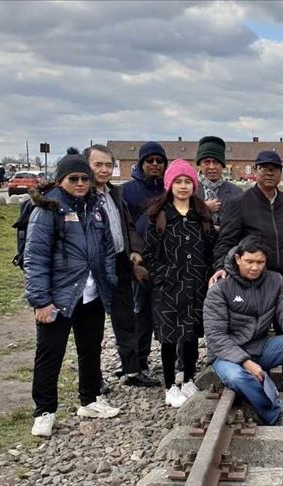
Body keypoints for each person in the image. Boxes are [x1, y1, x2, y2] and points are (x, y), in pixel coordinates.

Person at [25, 150, 120, 437]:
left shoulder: (95, 208)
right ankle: (44, 411)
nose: (80, 184)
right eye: (73, 178)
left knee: (90, 349)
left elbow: (106, 249)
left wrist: (109, 280)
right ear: (60, 180)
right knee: (50, 354)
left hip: (90, 294)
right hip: (59, 295)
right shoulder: (48, 211)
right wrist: (41, 300)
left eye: (85, 179)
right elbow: (36, 258)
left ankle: (90, 399)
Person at [204, 237, 283, 435]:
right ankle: (275, 415)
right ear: (238, 259)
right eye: (249, 262)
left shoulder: (275, 281)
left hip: (260, 346)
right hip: (226, 355)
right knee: (239, 377)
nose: (255, 267)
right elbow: (215, 337)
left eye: (260, 262)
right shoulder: (220, 288)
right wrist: (246, 362)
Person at [143, 160, 217, 407]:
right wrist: (160, 276)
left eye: (187, 182)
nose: (183, 187)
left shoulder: (201, 215)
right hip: (168, 288)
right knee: (169, 337)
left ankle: (187, 379)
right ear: (169, 185)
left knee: (191, 336)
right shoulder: (159, 215)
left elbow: (210, 248)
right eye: (178, 182)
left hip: (195, 285)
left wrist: (206, 273)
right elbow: (150, 252)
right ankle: (169, 385)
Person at [84, 144, 158, 387]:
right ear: (87, 165)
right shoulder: (82, 197)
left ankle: (132, 370)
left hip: (119, 262)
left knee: (126, 319)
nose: (104, 170)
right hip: (93, 267)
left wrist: (135, 251)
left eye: (108, 165)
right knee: (90, 329)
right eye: (98, 164)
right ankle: (92, 382)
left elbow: (128, 227)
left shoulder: (114, 194)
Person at [210, 150, 283, 308]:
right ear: (256, 171)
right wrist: (221, 267)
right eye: (264, 169)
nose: (269, 173)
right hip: (251, 282)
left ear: (280, 173)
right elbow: (225, 241)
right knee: (252, 329)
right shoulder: (239, 203)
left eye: (274, 169)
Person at [121, 141, 169, 376]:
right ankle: (137, 362)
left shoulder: (169, 188)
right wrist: (134, 254)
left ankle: (174, 361)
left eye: (159, 161)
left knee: (167, 311)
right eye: (150, 161)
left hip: (166, 259)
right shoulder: (128, 191)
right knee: (140, 313)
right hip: (140, 261)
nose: (155, 165)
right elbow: (125, 226)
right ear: (141, 163)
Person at [195, 136, 243, 228]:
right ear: (199, 165)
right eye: (207, 162)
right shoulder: (189, 191)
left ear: (223, 165)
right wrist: (203, 209)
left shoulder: (236, 193)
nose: (212, 167)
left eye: (216, 162)